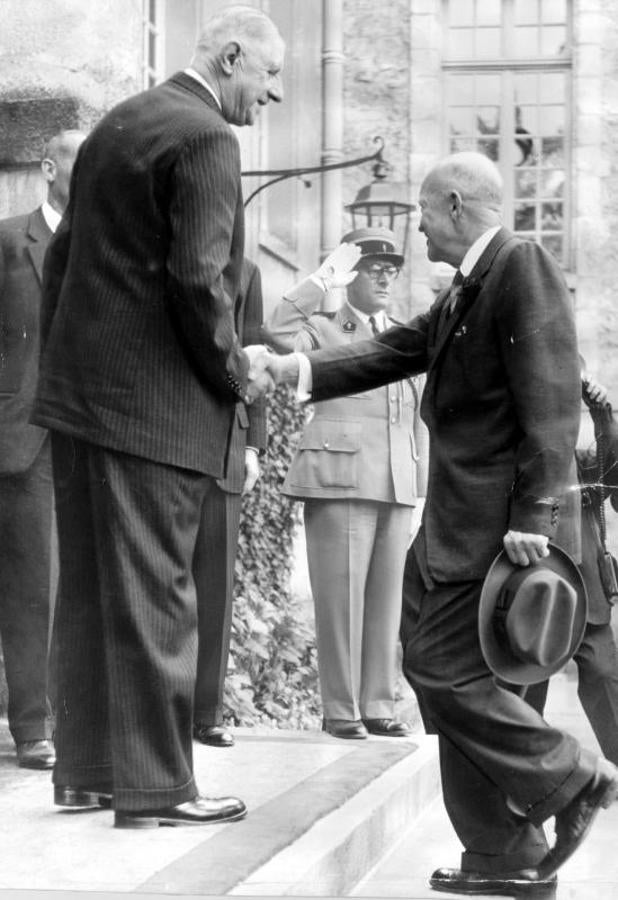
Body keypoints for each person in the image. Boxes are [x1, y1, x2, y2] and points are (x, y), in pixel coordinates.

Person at [250, 152, 618, 895]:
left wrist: (536, 518)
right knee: (443, 664)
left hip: (494, 528)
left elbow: (550, 401)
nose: (416, 228)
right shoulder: (467, 289)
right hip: (455, 523)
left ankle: (569, 774)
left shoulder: (521, 265)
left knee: (437, 667)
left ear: (454, 204)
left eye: (421, 211)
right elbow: (395, 348)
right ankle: (501, 854)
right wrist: (295, 371)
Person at [32, 6, 284, 828]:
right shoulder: (209, 136)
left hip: (80, 405)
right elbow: (199, 278)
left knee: (91, 594)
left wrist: (76, 370)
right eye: (267, 77)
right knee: (159, 595)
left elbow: (62, 261)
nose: (271, 96)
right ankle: (160, 789)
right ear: (231, 55)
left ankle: (90, 774)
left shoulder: (118, 125)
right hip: (155, 412)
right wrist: (234, 371)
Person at [263, 228, 427, 739]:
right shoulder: (324, 328)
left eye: (390, 268)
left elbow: (417, 414)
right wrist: (320, 281)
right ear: (349, 274)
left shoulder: (403, 334)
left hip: (397, 481)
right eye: (372, 266)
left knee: (385, 604)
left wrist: (419, 485)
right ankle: (341, 709)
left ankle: (378, 703)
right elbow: (276, 332)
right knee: (341, 600)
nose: (384, 276)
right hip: (341, 477)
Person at [0, 129, 85, 769]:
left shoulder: (102, 248)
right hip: (17, 435)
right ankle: (32, 727)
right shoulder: (8, 239)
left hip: (81, 439)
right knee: (31, 584)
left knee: (64, 586)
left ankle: (54, 719)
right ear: (50, 167)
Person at [524, 374, 618, 765]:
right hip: (528, 585)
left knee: (603, 676)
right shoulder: (515, 436)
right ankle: (525, 781)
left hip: (586, 585)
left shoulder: (584, 458)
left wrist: (603, 416)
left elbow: (613, 482)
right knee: (526, 689)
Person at [193, 258, 267, 748]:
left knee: (216, 584)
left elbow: (257, 357)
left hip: (226, 444)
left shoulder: (245, 271)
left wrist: (254, 445)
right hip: (165, 437)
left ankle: (207, 713)